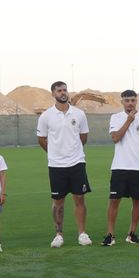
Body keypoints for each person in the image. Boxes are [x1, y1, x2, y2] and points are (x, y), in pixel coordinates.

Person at [36, 80, 92, 247]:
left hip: (77, 163)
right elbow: (41, 139)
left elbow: (83, 138)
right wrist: (55, 153)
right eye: (59, 90)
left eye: (65, 90)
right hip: (56, 165)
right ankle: (59, 234)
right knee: (58, 202)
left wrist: (73, 152)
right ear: (53, 94)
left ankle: (82, 233)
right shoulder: (46, 116)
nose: (63, 93)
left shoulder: (79, 114)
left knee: (79, 198)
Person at [103, 89, 139, 246]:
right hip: (120, 166)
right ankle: (110, 235)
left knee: (138, 201)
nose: (130, 103)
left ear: (136, 101)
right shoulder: (116, 118)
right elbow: (115, 138)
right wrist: (128, 121)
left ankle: (132, 233)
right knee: (114, 200)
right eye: (127, 100)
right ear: (122, 102)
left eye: (132, 100)